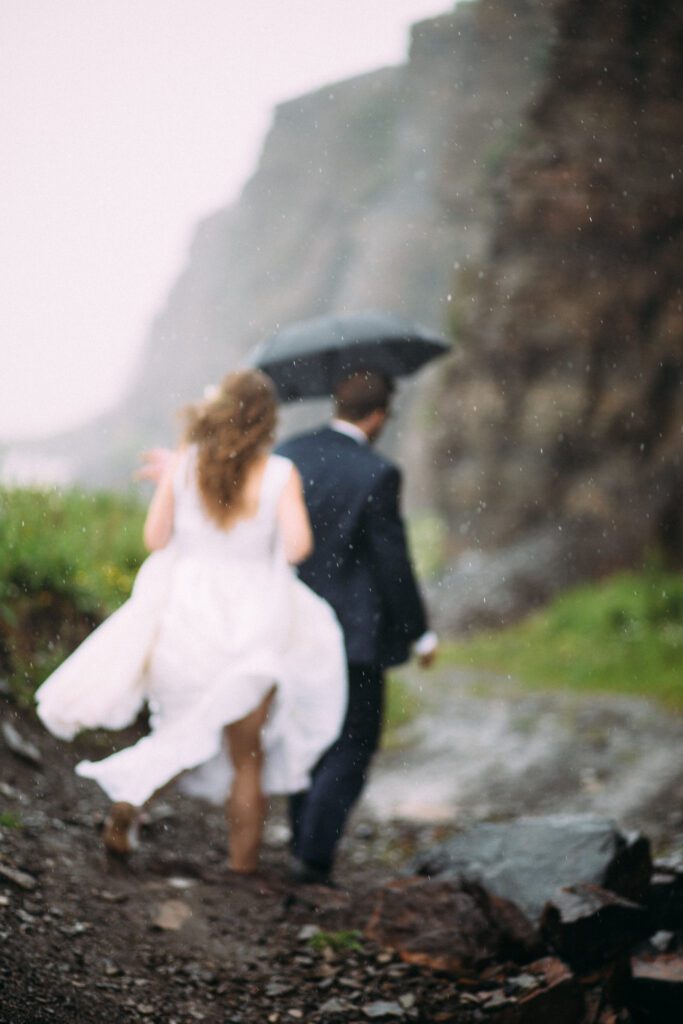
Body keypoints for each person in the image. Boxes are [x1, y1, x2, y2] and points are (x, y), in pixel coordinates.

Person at [36, 370, 347, 874]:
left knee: (177, 729)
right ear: (268, 420)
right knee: (247, 754)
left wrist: (182, 476)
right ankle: (242, 866)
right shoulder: (279, 473)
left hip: (187, 620)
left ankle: (130, 799)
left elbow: (156, 538)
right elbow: (297, 547)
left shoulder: (186, 466)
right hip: (254, 622)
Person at [276, 370, 437, 885]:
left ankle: (303, 838)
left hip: (293, 624)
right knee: (353, 742)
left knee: (307, 733)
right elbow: (392, 562)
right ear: (377, 415)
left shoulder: (290, 454)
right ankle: (313, 856)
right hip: (353, 634)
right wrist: (419, 630)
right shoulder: (376, 473)